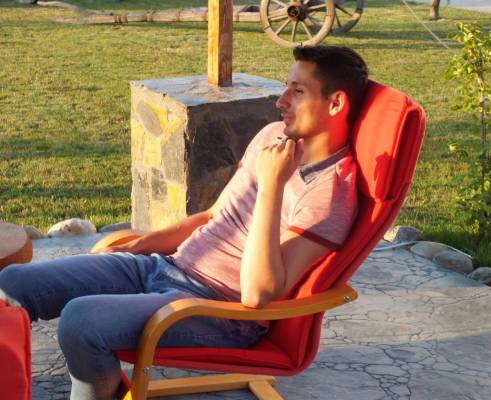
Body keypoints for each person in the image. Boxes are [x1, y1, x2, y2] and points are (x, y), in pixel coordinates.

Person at [0, 45, 368, 400]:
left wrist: (272, 185)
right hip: (165, 268)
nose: (281, 101)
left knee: (81, 322)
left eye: (298, 91)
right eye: (286, 87)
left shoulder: (331, 195)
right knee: (12, 282)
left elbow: (257, 296)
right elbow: (213, 216)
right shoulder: (273, 137)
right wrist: (140, 246)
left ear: (336, 103)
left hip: (218, 310)